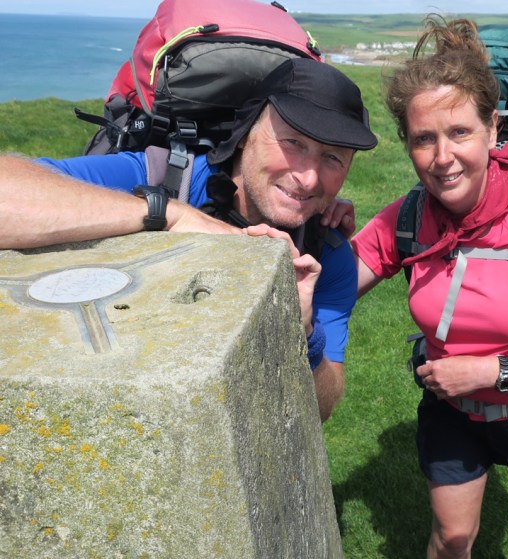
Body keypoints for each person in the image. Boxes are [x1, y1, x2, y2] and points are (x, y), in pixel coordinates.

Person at [0, 57, 378, 422]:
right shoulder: (163, 177)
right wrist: (168, 213)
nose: (309, 179)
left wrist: (306, 331)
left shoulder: (328, 257)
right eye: (292, 142)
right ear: (246, 135)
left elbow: (322, 408)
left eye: (332, 158)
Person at [351, 17, 508, 558]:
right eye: (423, 139)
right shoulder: (407, 219)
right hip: (453, 412)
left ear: (493, 129)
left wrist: (491, 371)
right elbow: (335, 285)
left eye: (459, 132)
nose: (442, 158)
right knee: (452, 538)